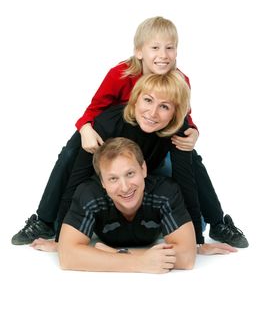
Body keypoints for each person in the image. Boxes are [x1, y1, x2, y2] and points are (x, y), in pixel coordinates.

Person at [11, 16, 248, 248]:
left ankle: (218, 223)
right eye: (155, 47)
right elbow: (95, 110)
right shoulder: (121, 74)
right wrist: (85, 129)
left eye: (169, 48)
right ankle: (44, 221)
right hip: (111, 134)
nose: (162, 55)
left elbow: (182, 116)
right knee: (70, 154)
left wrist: (192, 131)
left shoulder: (180, 80)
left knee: (191, 161)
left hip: (153, 143)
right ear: (139, 51)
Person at [32, 72, 237, 256]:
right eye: (147, 100)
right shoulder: (108, 123)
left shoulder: (178, 130)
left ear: (175, 113)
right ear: (135, 100)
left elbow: (186, 180)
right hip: (112, 176)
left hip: (149, 173)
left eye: (164, 106)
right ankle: (49, 222)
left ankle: (216, 222)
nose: (153, 113)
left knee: (194, 218)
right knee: (82, 203)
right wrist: (61, 240)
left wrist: (197, 243)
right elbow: (77, 177)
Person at [32, 137, 237, 273]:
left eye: (130, 174)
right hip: (104, 222)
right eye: (113, 179)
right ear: (102, 182)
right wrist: (139, 263)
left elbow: (187, 257)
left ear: (144, 169)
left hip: (161, 221)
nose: (124, 187)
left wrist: (110, 254)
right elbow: (67, 257)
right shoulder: (89, 193)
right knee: (65, 230)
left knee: (196, 227)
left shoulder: (165, 192)